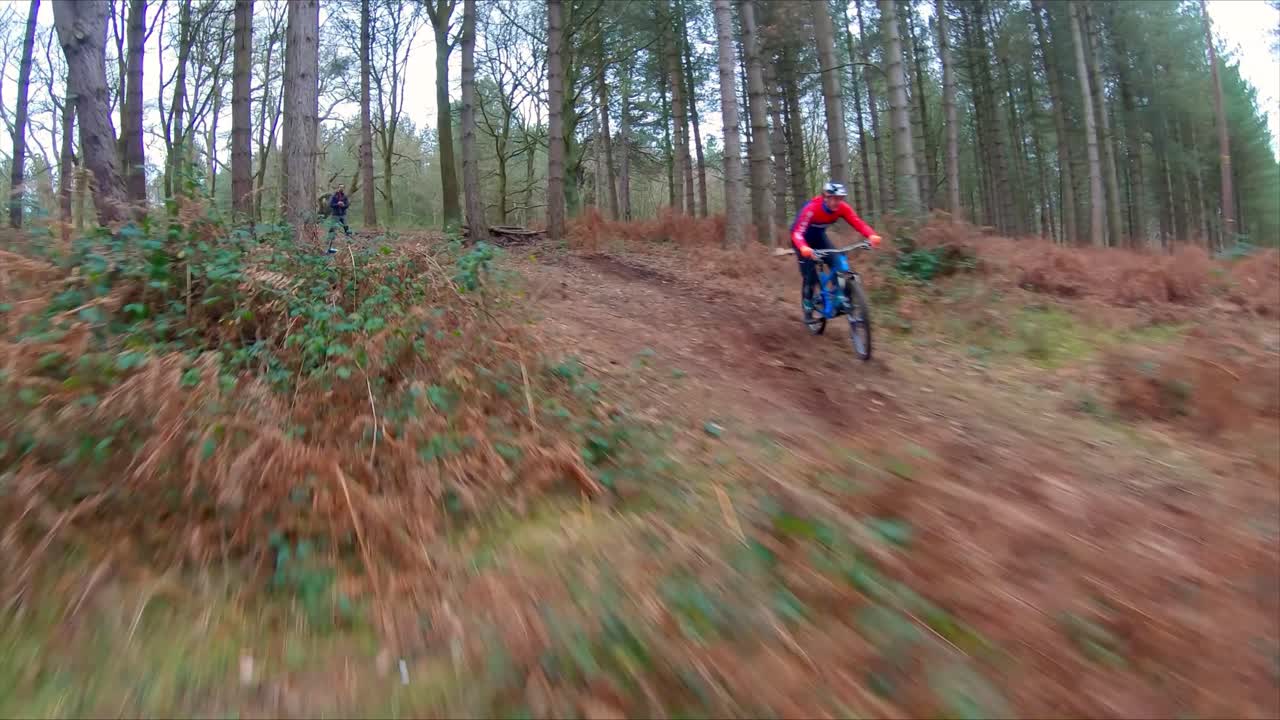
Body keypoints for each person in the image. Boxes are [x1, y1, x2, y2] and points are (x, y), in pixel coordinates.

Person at [791, 181, 882, 311]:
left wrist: (871, 235)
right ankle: (807, 299)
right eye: (833, 198)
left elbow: (857, 222)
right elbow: (797, 232)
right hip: (801, 240)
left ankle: (838, 295)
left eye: (839, 199)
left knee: (837, 260)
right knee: (809, 272)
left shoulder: (842, 208)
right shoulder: (811, 209)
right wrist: (803, 247)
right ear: (825, 197)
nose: (836, 202)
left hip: (818, 238)